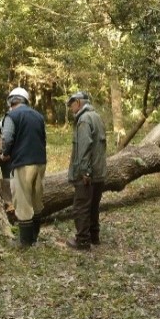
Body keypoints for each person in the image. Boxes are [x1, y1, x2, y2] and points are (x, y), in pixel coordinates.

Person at [0, 87, 47, 247]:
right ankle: (35, 236)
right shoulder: (39, 116)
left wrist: (5, 153)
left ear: (11, 101)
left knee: (23, 200)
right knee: (37, 199)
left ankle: (25, 241)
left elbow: (6, 138)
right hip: (40, 162)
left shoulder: (11, 116)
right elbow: (43, 138)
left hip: (23, 163)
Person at [65, 91, 107, 251]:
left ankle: (82, 240)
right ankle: (94, 236)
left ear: (78, 102)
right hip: (99, 172)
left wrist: (84, 172)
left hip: (88, 174)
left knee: (81, 207)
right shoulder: (97, 117)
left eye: (71, 104)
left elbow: (84, 148)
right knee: (93, 206)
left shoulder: (83, 120)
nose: (70, 108)